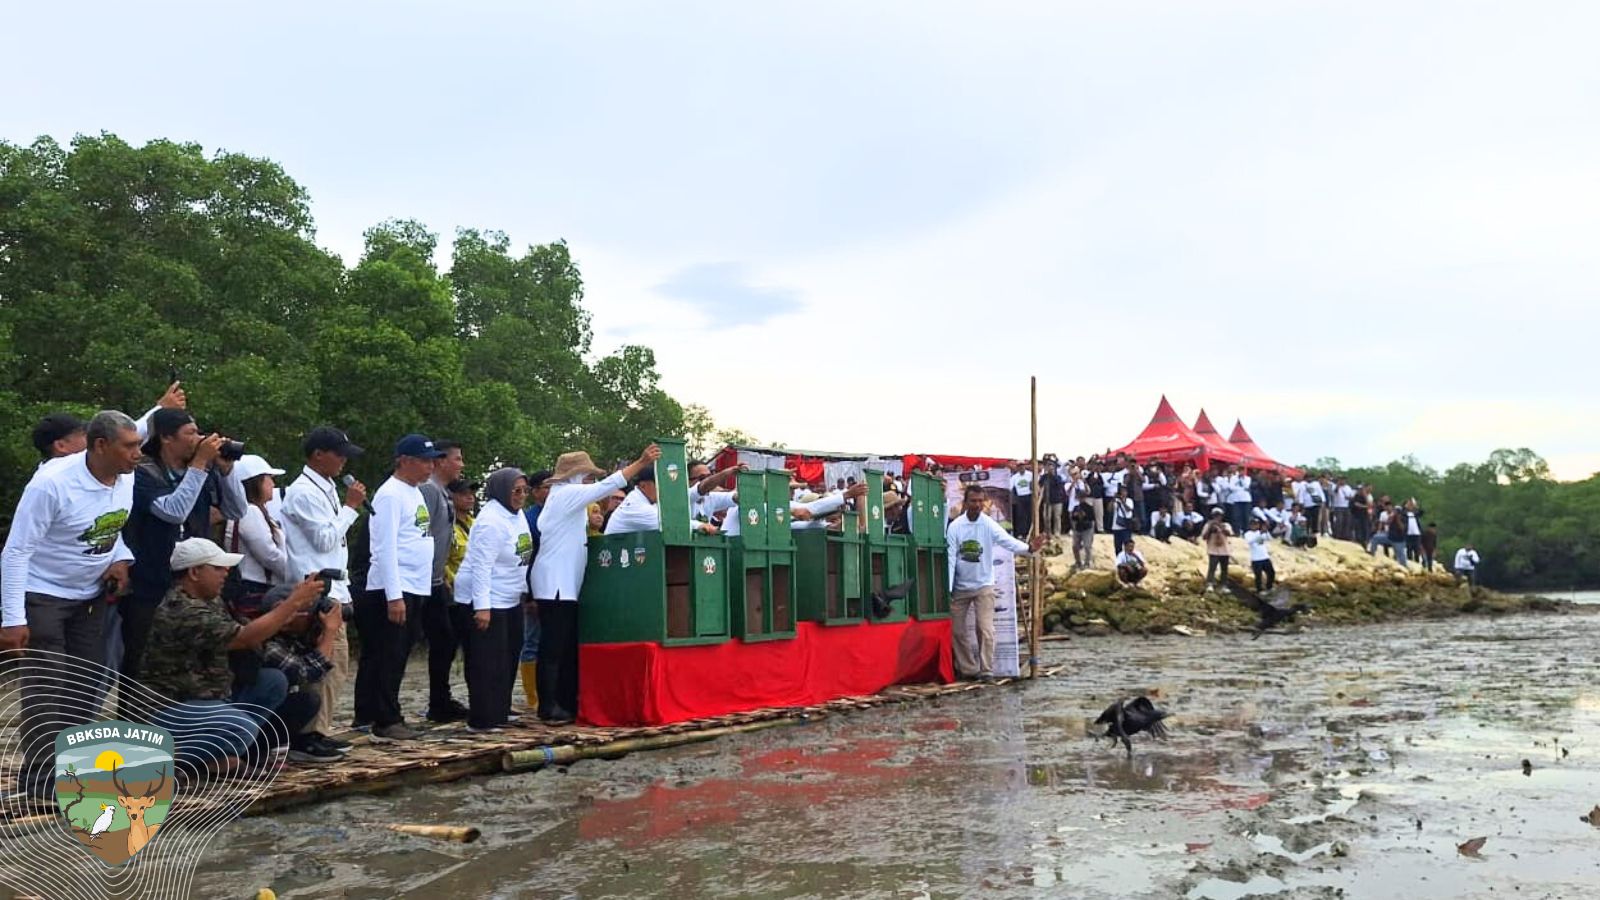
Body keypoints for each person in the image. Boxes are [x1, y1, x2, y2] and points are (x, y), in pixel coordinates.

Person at [1, 411, 141, 797]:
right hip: (43, 593)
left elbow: (110, 527)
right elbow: (16, 551)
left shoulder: (126, 476)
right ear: (101, 446)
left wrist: (121, 558)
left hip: (88, 595)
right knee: (48, 683)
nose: (138, 453)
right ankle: (39, 778)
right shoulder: (51, 484)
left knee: (85, 682)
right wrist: (12, 618)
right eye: (130, 446)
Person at [140, 540, 334, 767]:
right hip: (171, 707)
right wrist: (294, 602)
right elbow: (244, 638)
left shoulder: (211, 601)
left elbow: (246, 633)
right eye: (217, 568)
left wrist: (285, 619)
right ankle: (175, 759)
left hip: (209, 697)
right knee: (242, 728)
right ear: (194, 572)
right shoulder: (183, 609)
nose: (226, 572)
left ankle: (232, 753)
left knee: (273, 681)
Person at [530, 444, 661, 724]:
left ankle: (563, 701)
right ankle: (548, 706)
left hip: (563, 582)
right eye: (587, 476)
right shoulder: (566, 494)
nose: (590, 481)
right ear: (574, 476)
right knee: (553, 648)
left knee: (563, 646)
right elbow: (607, 486)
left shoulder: (564, 497)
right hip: (556, 583)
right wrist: (640, 463)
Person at [118, 408, 248, 684]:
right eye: (190, 433)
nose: (198, 439)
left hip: (194, 584)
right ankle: (135, 713)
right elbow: (173, 512)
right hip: (151, 584)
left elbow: (237, 510)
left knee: (194, 662)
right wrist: (199, 463)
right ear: (166, 438)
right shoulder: (143, 473)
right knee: (140, 663)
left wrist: (227, 471)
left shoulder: (203, 472)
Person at [278, 426, 365, 751]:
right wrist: (351, 508)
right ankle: (309, 734)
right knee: (326, 661)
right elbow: (325, 539)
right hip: (316, 588)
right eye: (338, 454)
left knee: (337, 665)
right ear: (318, 455)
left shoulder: (325, 488)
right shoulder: (304, 492)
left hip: (333, 588)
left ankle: (320, 730)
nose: (344, 461)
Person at [355, 434, 445, 742]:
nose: (430, 467)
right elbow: (384, 548)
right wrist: (394, 596)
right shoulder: (390, 494)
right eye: (425, 461)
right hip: (393, 586)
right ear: (404, 461)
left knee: (399, 652)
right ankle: (385, 718)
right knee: (387, 655)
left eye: (432, 461)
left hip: (414, 584)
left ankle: (373, 712)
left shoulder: (414, 492)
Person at [452, 468, 534, 732]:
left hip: (509, 597)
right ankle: (483, 718)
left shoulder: (517, 515)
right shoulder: (491, 521)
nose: (521, 496)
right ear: (501, 491)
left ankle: (500, 709)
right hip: (485, 598)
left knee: (507, 657)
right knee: (486, 661)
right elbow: (481, 567)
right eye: (515, 491)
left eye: (524, 491)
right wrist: (482, 607)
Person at [946, 484, 1044, 681]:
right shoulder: (955, 527)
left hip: (984, 585)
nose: (977, 505)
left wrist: (1028, 549)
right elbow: (951, 558)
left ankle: (986, 670)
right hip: (960, 586)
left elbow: (1007, 541)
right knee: (956, 631)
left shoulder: (988, 524)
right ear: (965, 502)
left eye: (980, 501)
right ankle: (968, 669)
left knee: (985, 629)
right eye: (973, 501)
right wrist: (948, 589)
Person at [248, 582, 348, 761]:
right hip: (246, 720)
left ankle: (306, 738)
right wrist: (329, 633)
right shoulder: (267, 643)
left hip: (254, 715)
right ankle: (262, 748)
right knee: (305, 701)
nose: (314, 617)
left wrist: (318, 634)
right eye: (309, 612)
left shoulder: (290, 637)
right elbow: (308, 673)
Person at [418, 440, 468, 724]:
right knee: (425, 641)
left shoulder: (444, 492)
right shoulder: (428, 490)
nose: (461, 464)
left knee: (445, 640)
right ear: (440, 461)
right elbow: (420, 534)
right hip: (421, 579)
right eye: (457, 459)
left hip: (436, 580)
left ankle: (440, 700)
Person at [222, 455, 289, 609]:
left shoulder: (247, 510)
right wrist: (297, 577)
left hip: (254, 587)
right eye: (269, 478)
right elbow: (269, 555)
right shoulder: (250, 511)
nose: (273, 484)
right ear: (255, 482)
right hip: (256, 588)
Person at [516, 469, 552, 713]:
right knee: (532, 641)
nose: (551, 492)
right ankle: (532, 696)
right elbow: (527, 558)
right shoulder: (528, 519)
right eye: (546, 487)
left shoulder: (558, 513)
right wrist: (529, 594)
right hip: (533, 587)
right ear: (536, 491)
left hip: (554, 586)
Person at [604, 464, 662, 534]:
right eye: (657, 483)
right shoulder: (636, 506)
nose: (661, 488)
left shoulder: (641, 500)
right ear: (643, 486)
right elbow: (670, 525)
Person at [445, 479, 477, 587]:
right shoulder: (445, 525)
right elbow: (441, 561)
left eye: (472, 494)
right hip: (455, 587)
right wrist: (455, 582)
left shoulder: (477, 524)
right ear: (451, 497)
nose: (470, 497)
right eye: (464, 494)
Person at [1200, 510, 1233, 592]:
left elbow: (1229, 534)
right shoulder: (1208, 525)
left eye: (1219, 516)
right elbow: (1204, 537)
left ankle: (1223, 585)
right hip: (1213, 550)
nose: (1217, 518)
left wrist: (1220, 527)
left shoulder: (1226, 525)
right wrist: (1210, 529)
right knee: (1212, 568)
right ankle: (1209, 584)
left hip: (1224, 550)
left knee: (1224, 569)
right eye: (1215, 516)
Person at [1246, 520, 1276, 592]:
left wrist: (1266, 531)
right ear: (1250, 525)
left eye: (1256, 524)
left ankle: (1269, 587)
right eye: (1253, 524)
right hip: (1256, 559)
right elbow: (1250, 541)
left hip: (1265, 557)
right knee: (1258, 576)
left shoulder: (1260, 532)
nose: (1254, 526)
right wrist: (1260, 533)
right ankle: (1259, 590)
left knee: (1271, 572)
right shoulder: (1248, 534)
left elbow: (1269, 538)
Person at [1068, 497, 1096, 570]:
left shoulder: (1089, 507)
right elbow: (1073, 518)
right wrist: (1075, 515)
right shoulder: (1076, 507)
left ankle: (1087, 563)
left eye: (1082, 497)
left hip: (1087, 529)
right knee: (1075, 546)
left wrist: (1085, 515)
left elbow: (1092, 518)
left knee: (1087, 546)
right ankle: (1078, 562)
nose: (1081, 499)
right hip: (1078, 529)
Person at [1224, 467, 1253, 537]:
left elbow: (1246, 486)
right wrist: (1241, 488)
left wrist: (1241, 480)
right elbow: (1231, 487)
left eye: (1243, 471)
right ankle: (1237, 532)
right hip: (1237, 500)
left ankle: (1246, 532)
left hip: (1246, 499)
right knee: (1236, 516)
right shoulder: (1233, 478)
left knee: (1246, 517)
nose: (1242, 472)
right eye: (1240, 471)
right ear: (1238, 471)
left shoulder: (1248, 478)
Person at [1008, 462, 1034, 539]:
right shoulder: (1014, 477)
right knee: (1021, 516)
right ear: (1017, 468)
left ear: (1024, 467)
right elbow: (1010, 488)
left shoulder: (1030, 474)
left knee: (1030, 515)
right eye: (1019, 467)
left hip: (1029, 496)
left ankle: (1030, 532)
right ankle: (1021, 533)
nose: (1021, 468)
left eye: (1022, 466)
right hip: (1020, 497)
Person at [1110, 487, 1136, 554]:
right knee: (1117, 547)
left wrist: (1122, 501)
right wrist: (1113, 499)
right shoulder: (1116, 501)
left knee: (1127, 546)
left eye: (1124, 491)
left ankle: (1127, 559)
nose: (1123, 493)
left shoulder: (1129, 500)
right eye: (1121, 491)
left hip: (1126, 526)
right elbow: (1109, 509)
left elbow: (1128, 509)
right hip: (1116, 527)